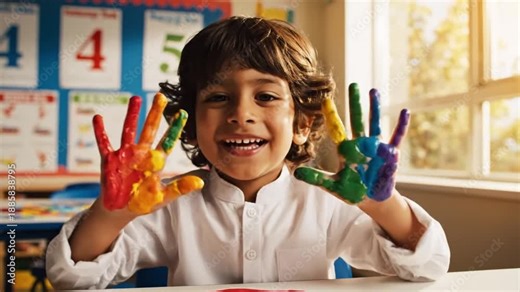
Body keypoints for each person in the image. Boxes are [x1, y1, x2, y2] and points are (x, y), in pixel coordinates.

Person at [45, 16, 450, 289]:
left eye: (266, 96)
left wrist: (382, 207)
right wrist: (113, 215)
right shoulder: (168, 205)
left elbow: (428, 266)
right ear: (189, 119)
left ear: (302, 123)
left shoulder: (330, 203)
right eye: (218, 96)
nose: (241, 114)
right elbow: (69, 277)